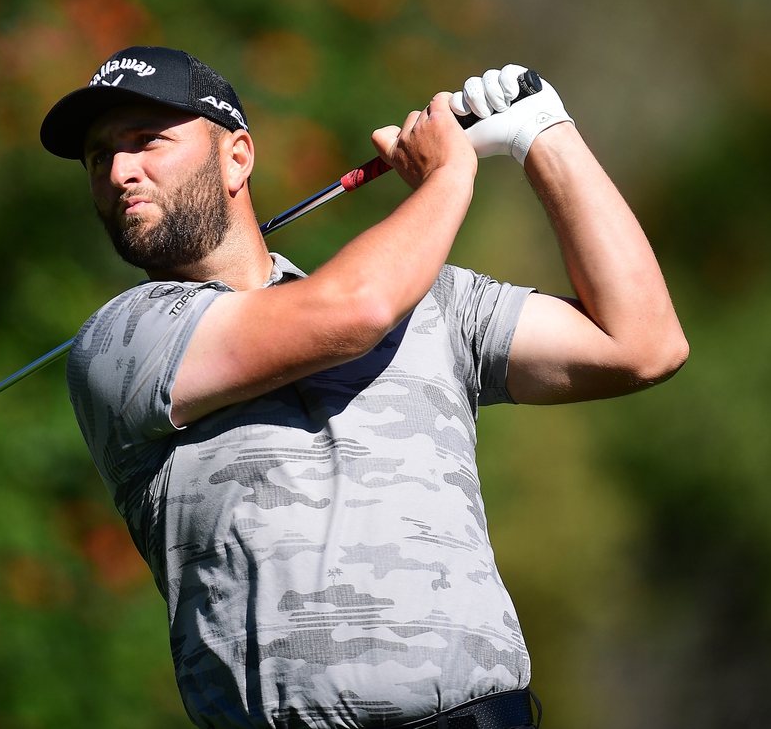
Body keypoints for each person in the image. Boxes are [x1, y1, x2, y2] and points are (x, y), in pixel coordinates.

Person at [39, 46, 687, 729]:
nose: (119, 171)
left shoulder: (434, 305)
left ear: (236, 157)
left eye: (146, 141)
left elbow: (644, 343)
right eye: (98, 157)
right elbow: (352, 311)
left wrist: (543, 136)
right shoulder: (120, 342)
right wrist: (449, 178)